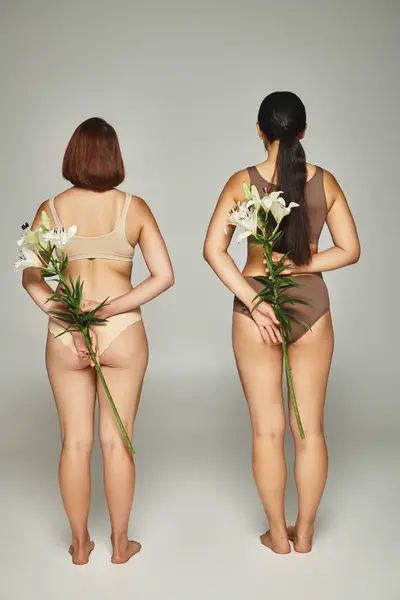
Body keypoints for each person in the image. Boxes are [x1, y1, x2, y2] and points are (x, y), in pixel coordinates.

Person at [203, 91, 360, 554]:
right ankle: (306, 534)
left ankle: (277, 535)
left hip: (256, 311)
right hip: (313, 310)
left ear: (259, 130)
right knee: (308, 429)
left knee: (267, 430)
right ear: (304, 131)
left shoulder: (241, 181)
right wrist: (303, 266)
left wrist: (254, 299)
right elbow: (350, 249)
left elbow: (213, 251)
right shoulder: (325, 181)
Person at [21, 117, 174, 565]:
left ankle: (81, 545)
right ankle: (121, 546)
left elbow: (31, 277)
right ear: (114, 157)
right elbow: (164, 276)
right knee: (117, 441)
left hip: (66, 333)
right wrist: (113, 307)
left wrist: (62, 310)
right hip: (123, 331)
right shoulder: (135, 208)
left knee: (74, 444)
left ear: (73, 155)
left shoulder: (50, 208)